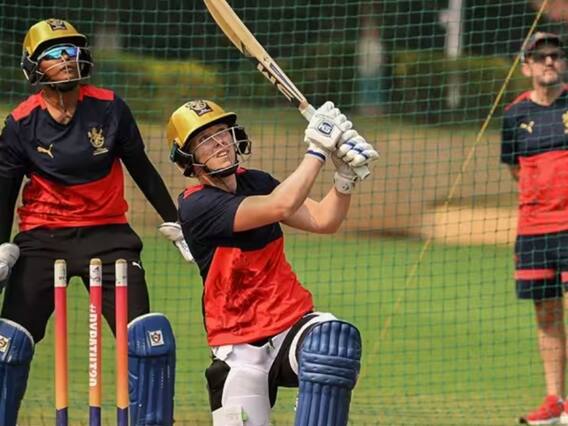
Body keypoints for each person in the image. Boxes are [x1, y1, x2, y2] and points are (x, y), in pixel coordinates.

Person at [0, 19, 184, 424]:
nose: (66, 58)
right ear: (34, 66)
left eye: (71, 50)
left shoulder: (109, 107)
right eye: (54, 53)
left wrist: (176, 223)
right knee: (6, 345)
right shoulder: (21, 123)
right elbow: (5, 189)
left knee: (147, 342)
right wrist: (0, 247)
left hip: (109, 235)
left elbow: (142, 168)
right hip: (43, 236)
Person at [165, 99, 379, 426]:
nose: (219, 143)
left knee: (332, 343)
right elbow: (280, 206)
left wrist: (344, 178)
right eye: (204, 140)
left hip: (289, 323)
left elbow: (324, 220)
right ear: (187, 158)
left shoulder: (257, 182)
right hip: (238, 343)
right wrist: (318, 149)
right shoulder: (197, 206)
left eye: (221, 133)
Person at [501, 32, 568, 425]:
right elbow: (515, 170)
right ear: (526, 66)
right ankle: (555, 401)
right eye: (540, 57)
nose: (549, 61)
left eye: (555, 55)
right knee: (546, 313)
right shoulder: (514, 115)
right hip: (534, 231)